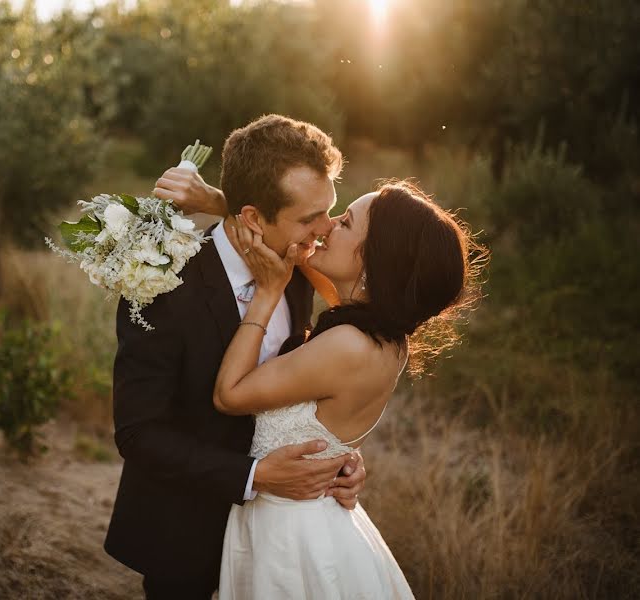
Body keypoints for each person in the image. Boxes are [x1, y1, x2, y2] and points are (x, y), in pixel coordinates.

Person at [104, 115, 368, 599]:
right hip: (186, 531)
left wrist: (338, 460)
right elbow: (139, 432)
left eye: (329, 212)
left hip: (280, 538)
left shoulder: (298, 264)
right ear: (252, 218)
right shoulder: (161, 287)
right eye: (310, 219)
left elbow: (300, 386)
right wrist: (253, 476)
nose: (326, 230)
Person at [211, 180, 485, 598]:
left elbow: (229, 395)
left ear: (375, 260)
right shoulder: (387, 336)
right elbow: (302, 258)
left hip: (288, 536)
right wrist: (221, 203)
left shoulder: (347, 345)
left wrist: (267, 293)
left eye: (345, 222)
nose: (327, 224)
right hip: (316, 518)